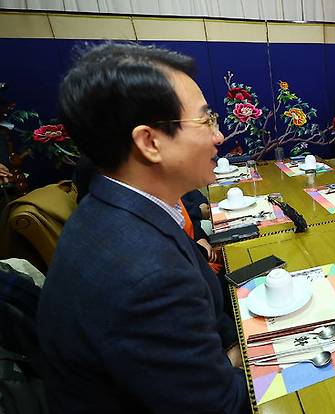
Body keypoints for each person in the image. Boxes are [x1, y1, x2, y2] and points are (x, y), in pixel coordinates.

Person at [37, 43, 247, 413]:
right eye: (206, 120)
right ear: (150, 142)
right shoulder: (146, 275)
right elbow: (222, 406)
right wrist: (248, 353)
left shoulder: (105, 207)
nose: (218, 136)